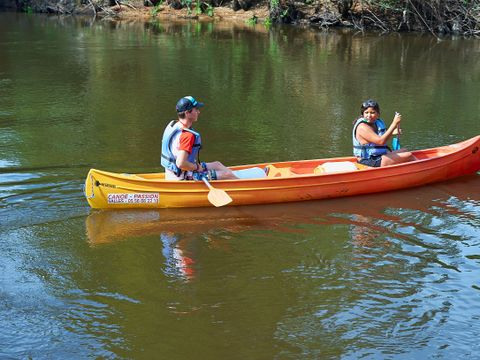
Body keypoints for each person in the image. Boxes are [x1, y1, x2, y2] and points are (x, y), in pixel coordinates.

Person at [161, 96, 237, 181]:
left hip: (175, 173)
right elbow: (181, 164)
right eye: (196, 109)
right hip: (182, 177)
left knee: (217, 164)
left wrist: (196, 166)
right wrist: (197, 167)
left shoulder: (174, 125)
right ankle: (242, 185)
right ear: (187, 113)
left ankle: (237, 179)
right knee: (227, 174)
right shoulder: (187, 136)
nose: (199, 112)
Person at [352, 99, 417, 167]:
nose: (369, 115)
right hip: (367, 160)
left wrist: (391, 133)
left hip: (376, 157)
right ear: (363, 114)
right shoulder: (362, 127)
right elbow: (380, 141)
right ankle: (420, 168)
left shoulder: (375, 123)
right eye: (366, 112)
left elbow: (382, 138)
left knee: (404, 150)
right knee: (408, 155)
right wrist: (394, 124)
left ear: (378, 114)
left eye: (372, 112)